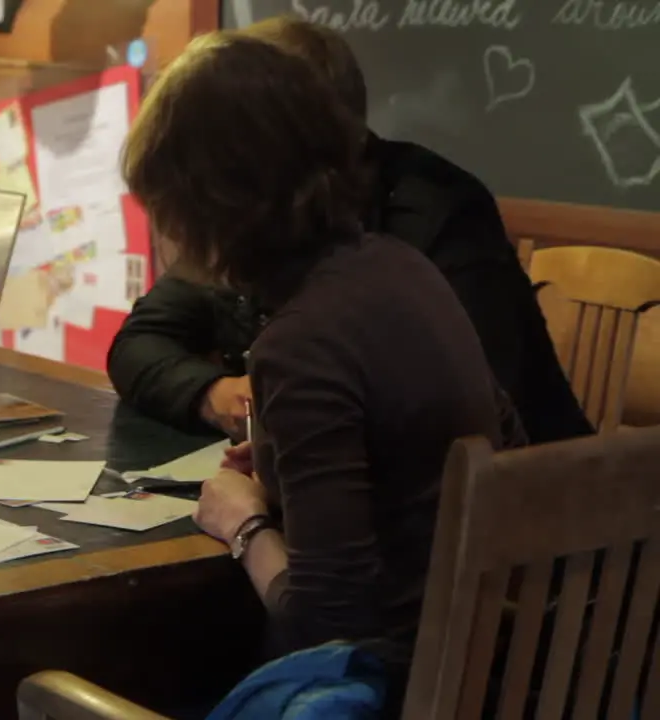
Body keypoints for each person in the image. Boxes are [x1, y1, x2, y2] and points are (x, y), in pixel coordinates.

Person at [119, 31, 525, 711]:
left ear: (210, 202)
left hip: (394, 690)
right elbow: (500, 433)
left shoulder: (300, 341)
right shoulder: (402, 266)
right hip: (487, 672)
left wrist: (245, 522)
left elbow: (325, 623)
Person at [107, 16, 592, 445]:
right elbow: (136, 344)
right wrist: (216, 394)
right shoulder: (251, 223)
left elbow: (457, 415)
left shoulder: (426, 219)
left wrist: (251, 519)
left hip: (530, 514)